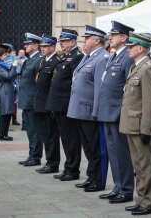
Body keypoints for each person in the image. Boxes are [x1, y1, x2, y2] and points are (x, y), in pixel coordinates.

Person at [120, 32, 151, 215]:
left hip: (140, 126)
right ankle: (141, 199)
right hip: (132, 124)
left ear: (141, 48)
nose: (128, 49)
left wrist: (147, 128)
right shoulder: (136, 67)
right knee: (138, 165)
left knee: (146, 166)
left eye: (131, 47)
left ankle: (148, 203)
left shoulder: (148, 68)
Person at [67, 25, 109, 192]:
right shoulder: (88, 57)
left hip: (90, 110)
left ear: (96, 40)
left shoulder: (102, 58)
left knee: (95, 147)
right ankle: (91, 176)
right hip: (80, 110)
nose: (84, 41)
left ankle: (98, 180)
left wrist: (96, 112)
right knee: (87, 147)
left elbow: (99, 89)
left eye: (87, 38)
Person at [97, 21, 135, 203]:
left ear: (123, 37)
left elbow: (129, 87)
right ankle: (118, 186)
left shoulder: (127, 57)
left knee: (122, 153)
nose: (109, 38)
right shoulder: (114, 56)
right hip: (107, 112)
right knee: (113, 152)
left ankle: (126, 189)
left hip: (118, 113)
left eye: (113, 35)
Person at [46, 29, 84, 181]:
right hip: (59, 104)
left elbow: (75, 82)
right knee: (65, 139)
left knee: (71, 139)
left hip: (66, 103)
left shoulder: (76, 57)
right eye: (61, 41)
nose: (61, 44)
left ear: (73, 42)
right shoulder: (67, 56)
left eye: (65, 41)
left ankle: (73, 170)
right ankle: (68, 167)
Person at [34, 36, 60, 174]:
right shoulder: (43, 61)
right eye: (41, 46)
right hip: (40, 104)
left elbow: (53, 87)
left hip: (48, 106)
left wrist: (51, 106)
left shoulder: (56, 62)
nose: (42, 48)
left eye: (45, 46)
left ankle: (53, 163)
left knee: (51, 136)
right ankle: (49, 161)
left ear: (53, 47)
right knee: (45, 135)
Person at [18, 33, 43, 167]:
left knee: (34, 130)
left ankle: (36, 156)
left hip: (32, 100)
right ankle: (32, 154)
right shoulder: (29, 60)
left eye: (28, 44)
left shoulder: (38, 59)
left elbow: (38, 82)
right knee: (29, 129)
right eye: (25, 44)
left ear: (36, 45)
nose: (25, 46)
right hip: (26, 100)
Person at [0, 48, 19, 141]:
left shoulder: (1, 65)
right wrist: (14, 66)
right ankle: (2, 135)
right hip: (4, 93)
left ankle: (4, 134)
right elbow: (8, 76)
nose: (5, 56)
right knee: (5, 114)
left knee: (7, 114)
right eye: (4, 55)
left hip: (6, 92)